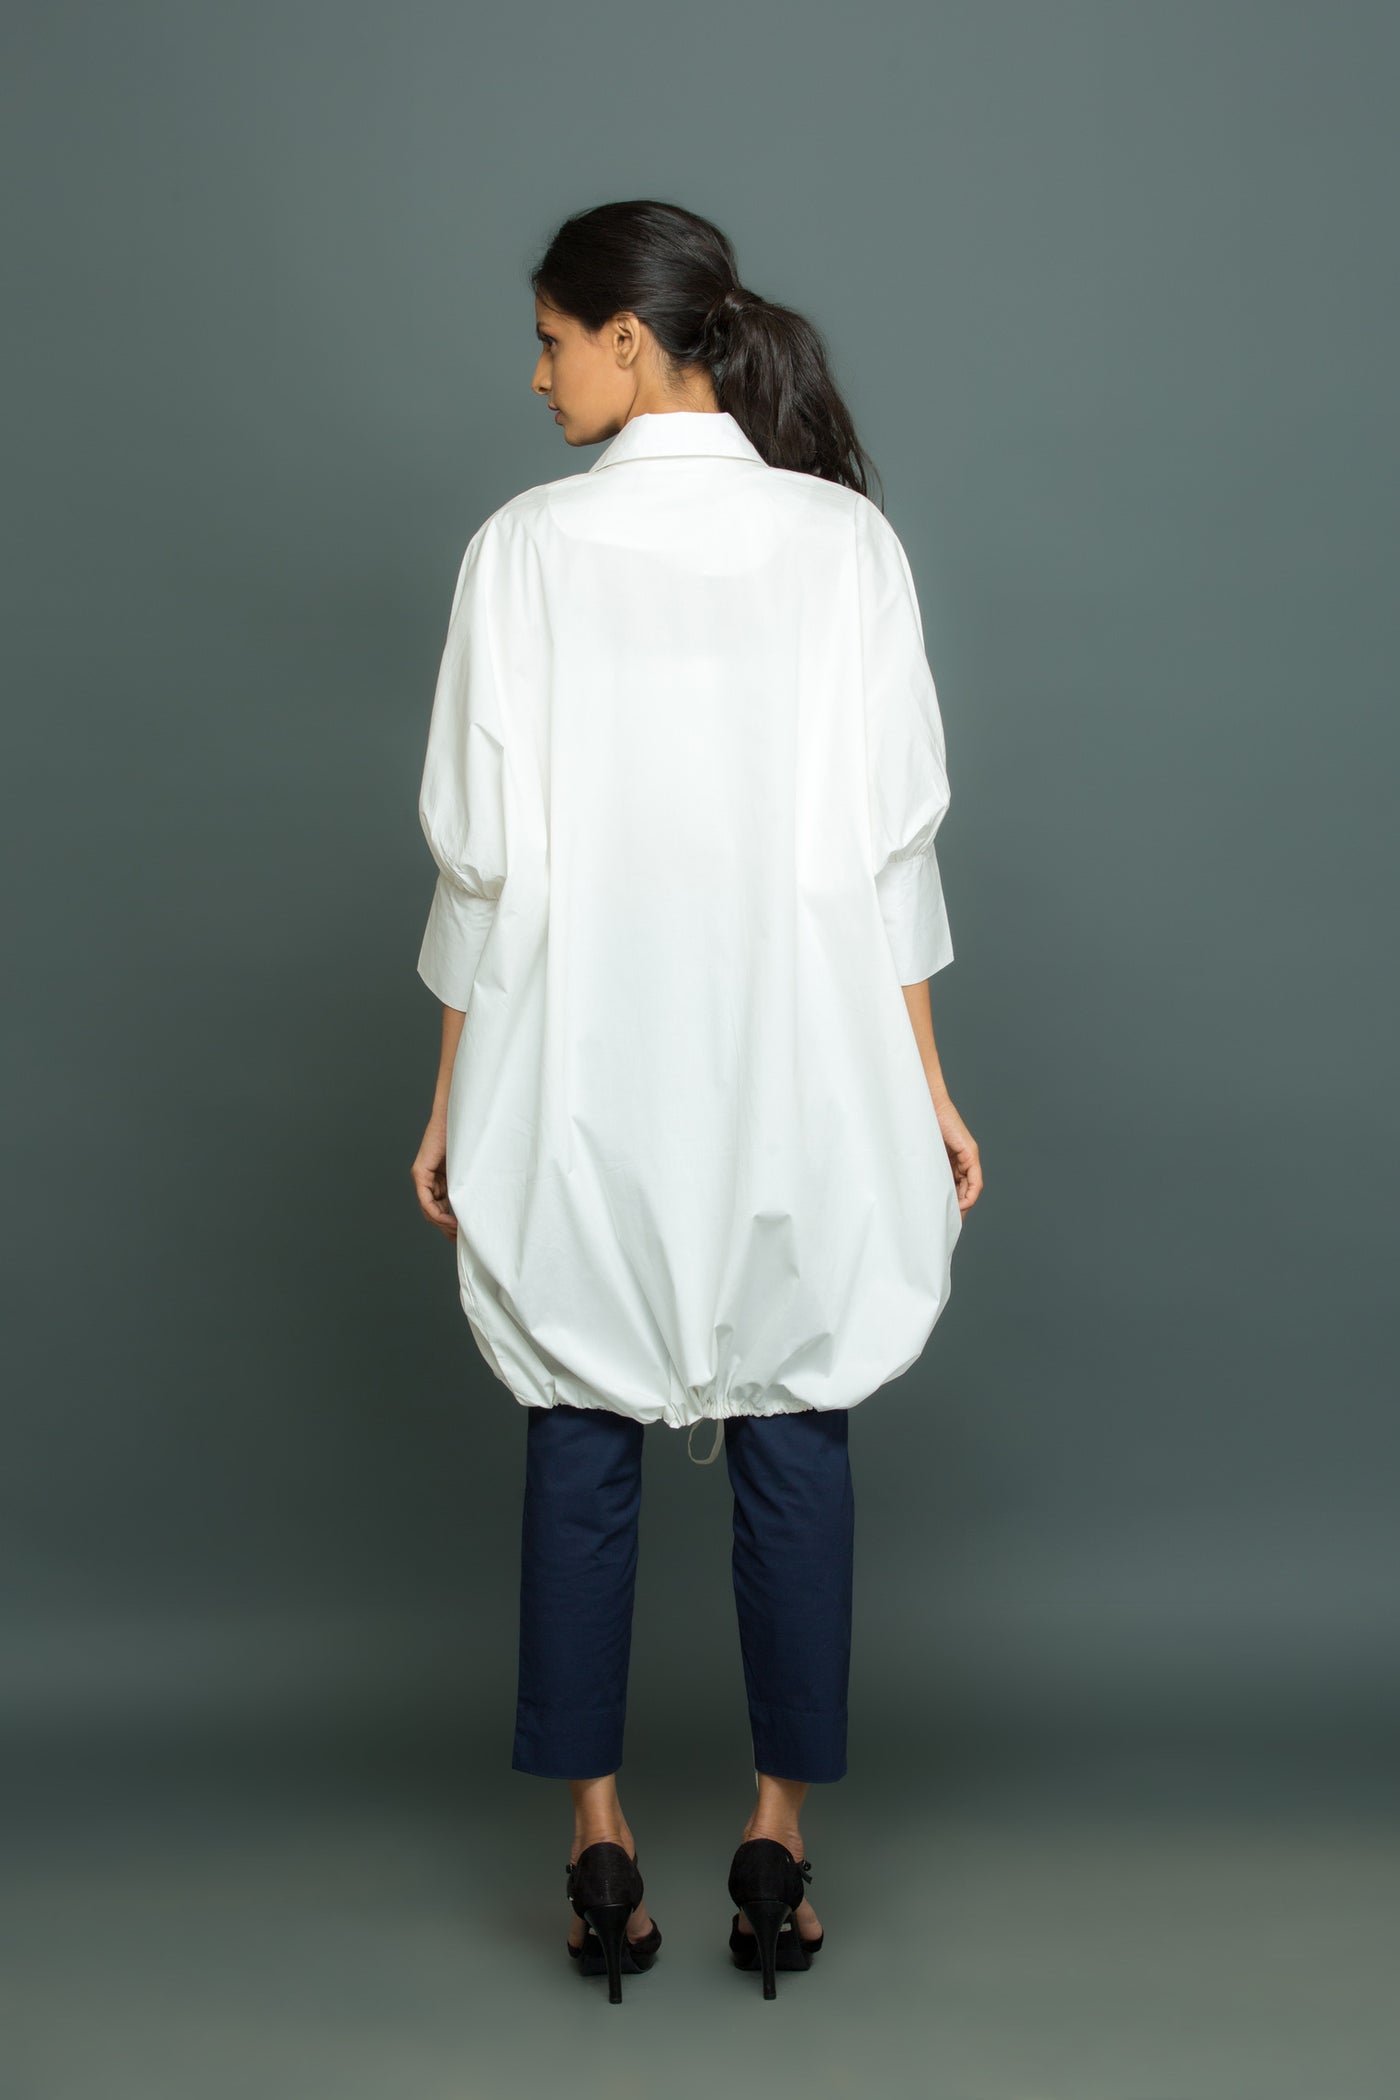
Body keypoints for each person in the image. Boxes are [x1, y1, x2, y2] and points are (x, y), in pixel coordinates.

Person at [409, 198, 983, 2003]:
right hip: (799, 1066)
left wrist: (447, 1096)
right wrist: (929, 1088)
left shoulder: (523, 552)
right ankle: (775, 1838)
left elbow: (479, 860)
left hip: (577, 1060)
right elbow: (892, 846)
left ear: (629, 338)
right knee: (798, 1419)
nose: (537, 374)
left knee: (575, 1416)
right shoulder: (843, 544)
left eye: (551, 339)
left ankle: (596, 1840)